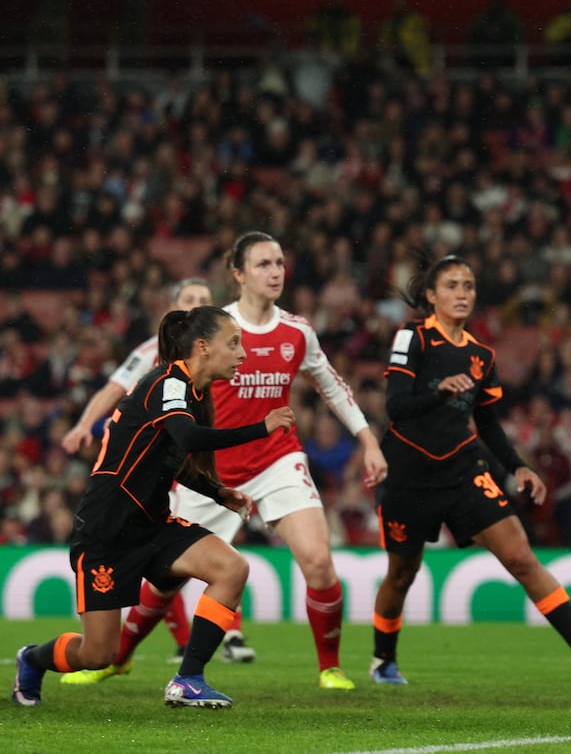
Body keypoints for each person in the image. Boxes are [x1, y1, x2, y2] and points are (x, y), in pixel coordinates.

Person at [69, 232, 388, 690]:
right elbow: (143, 386)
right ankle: (116, 657)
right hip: (211, 467)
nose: (275, 271)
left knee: (319, 562)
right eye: (263, 264)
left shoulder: (298, 331)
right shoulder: (209, 332)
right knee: (163, 584)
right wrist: (90, 421)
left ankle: (329, 667)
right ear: (237, 274)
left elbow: (334, 385)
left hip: (277, 459)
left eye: (279, 262)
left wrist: (368, 440)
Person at [12, 307, 295, 709]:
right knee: (98, 655)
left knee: (232, 568)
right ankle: (32, 659)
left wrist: (219, 493)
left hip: (152, 524)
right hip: (107, 530)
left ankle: (189, 680)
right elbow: (190, 438)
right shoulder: (168, 383)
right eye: (233, 343)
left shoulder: (193, 393)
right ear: (202, 347)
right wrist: (260, 428)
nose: (242, 353)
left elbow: (170, 458)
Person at [368, 254, 571, 686]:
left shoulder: (481, 356)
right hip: (410, 476)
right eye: (451, 286)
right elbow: (396, 408)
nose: (462, 293)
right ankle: (383, 659)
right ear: (430, 296)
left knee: (521, 557)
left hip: (465, 471)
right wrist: (440, 394)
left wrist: (519, 466)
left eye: (468, 285)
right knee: (402, 574)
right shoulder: (413, 338)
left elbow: (487, 422)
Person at [59, 277, 212, 672]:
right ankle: (167, 642)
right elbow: (113, 389)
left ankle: (193, 651)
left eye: (204, 301)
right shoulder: (152, 356)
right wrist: (83, 424)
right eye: (189, 301)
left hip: (182, 467)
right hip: (143, 479)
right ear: (174, 307)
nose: (196, 307)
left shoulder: (218, 352)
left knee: (210, 563)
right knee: (168, 562)